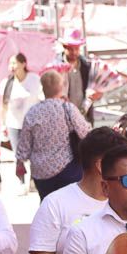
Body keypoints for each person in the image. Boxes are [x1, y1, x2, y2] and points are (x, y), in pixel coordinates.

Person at [16, 69, 91, 199]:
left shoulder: (32, 113)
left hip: (41, 173)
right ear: (61, 87)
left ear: (43, 88)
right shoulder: (67, 108)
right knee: (70, 207)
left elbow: (24, 147)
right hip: (68, 170)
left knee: (48, 207)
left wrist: (20, 163)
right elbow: (85, 132)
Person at [0, 53, 41, 162]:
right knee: (18, 156)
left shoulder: (34, 79)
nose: (11, 66)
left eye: (14, 63)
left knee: (34, 155)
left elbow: (42, 99)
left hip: (32, 124)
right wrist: (3, 125)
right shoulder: (7, 83)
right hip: (14, 125)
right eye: (10, 63)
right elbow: (3, 105)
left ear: (23, 64)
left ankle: (33, 178)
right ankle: (21, 178)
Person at [57, 29, 102, 122]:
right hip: (63, 118)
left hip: (84, 118)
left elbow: (96, 89)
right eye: (71, 48)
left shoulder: (87, 66)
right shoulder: (56, 66)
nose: (74, 52)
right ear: (64, 47)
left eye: (76, 48)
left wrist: (97, 94)